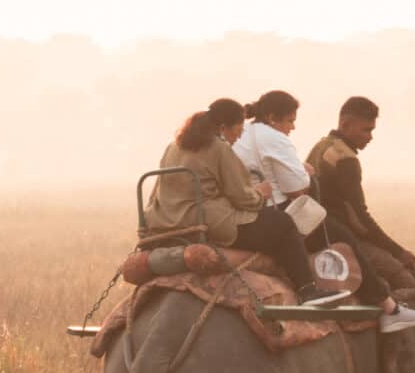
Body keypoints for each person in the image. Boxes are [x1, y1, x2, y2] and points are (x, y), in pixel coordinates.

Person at [144, 105, 348, 306]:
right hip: (210, 221)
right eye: (238, 131)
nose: (239, 137)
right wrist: (260, 193)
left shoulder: (173, 146)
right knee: (283, 222)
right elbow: (241, 197)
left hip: (168, 220)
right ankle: (307, 289)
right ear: (223, 128)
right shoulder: (219, 148)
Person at [309, 96, 415, 332]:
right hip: (341, 236)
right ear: (346, 125)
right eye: (366, 130)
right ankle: (395, 333)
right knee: (406, 280)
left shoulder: (322, 145)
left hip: (316, 227)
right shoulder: (346, 160)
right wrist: (398, 251)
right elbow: (360, 219)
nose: (370, 137)